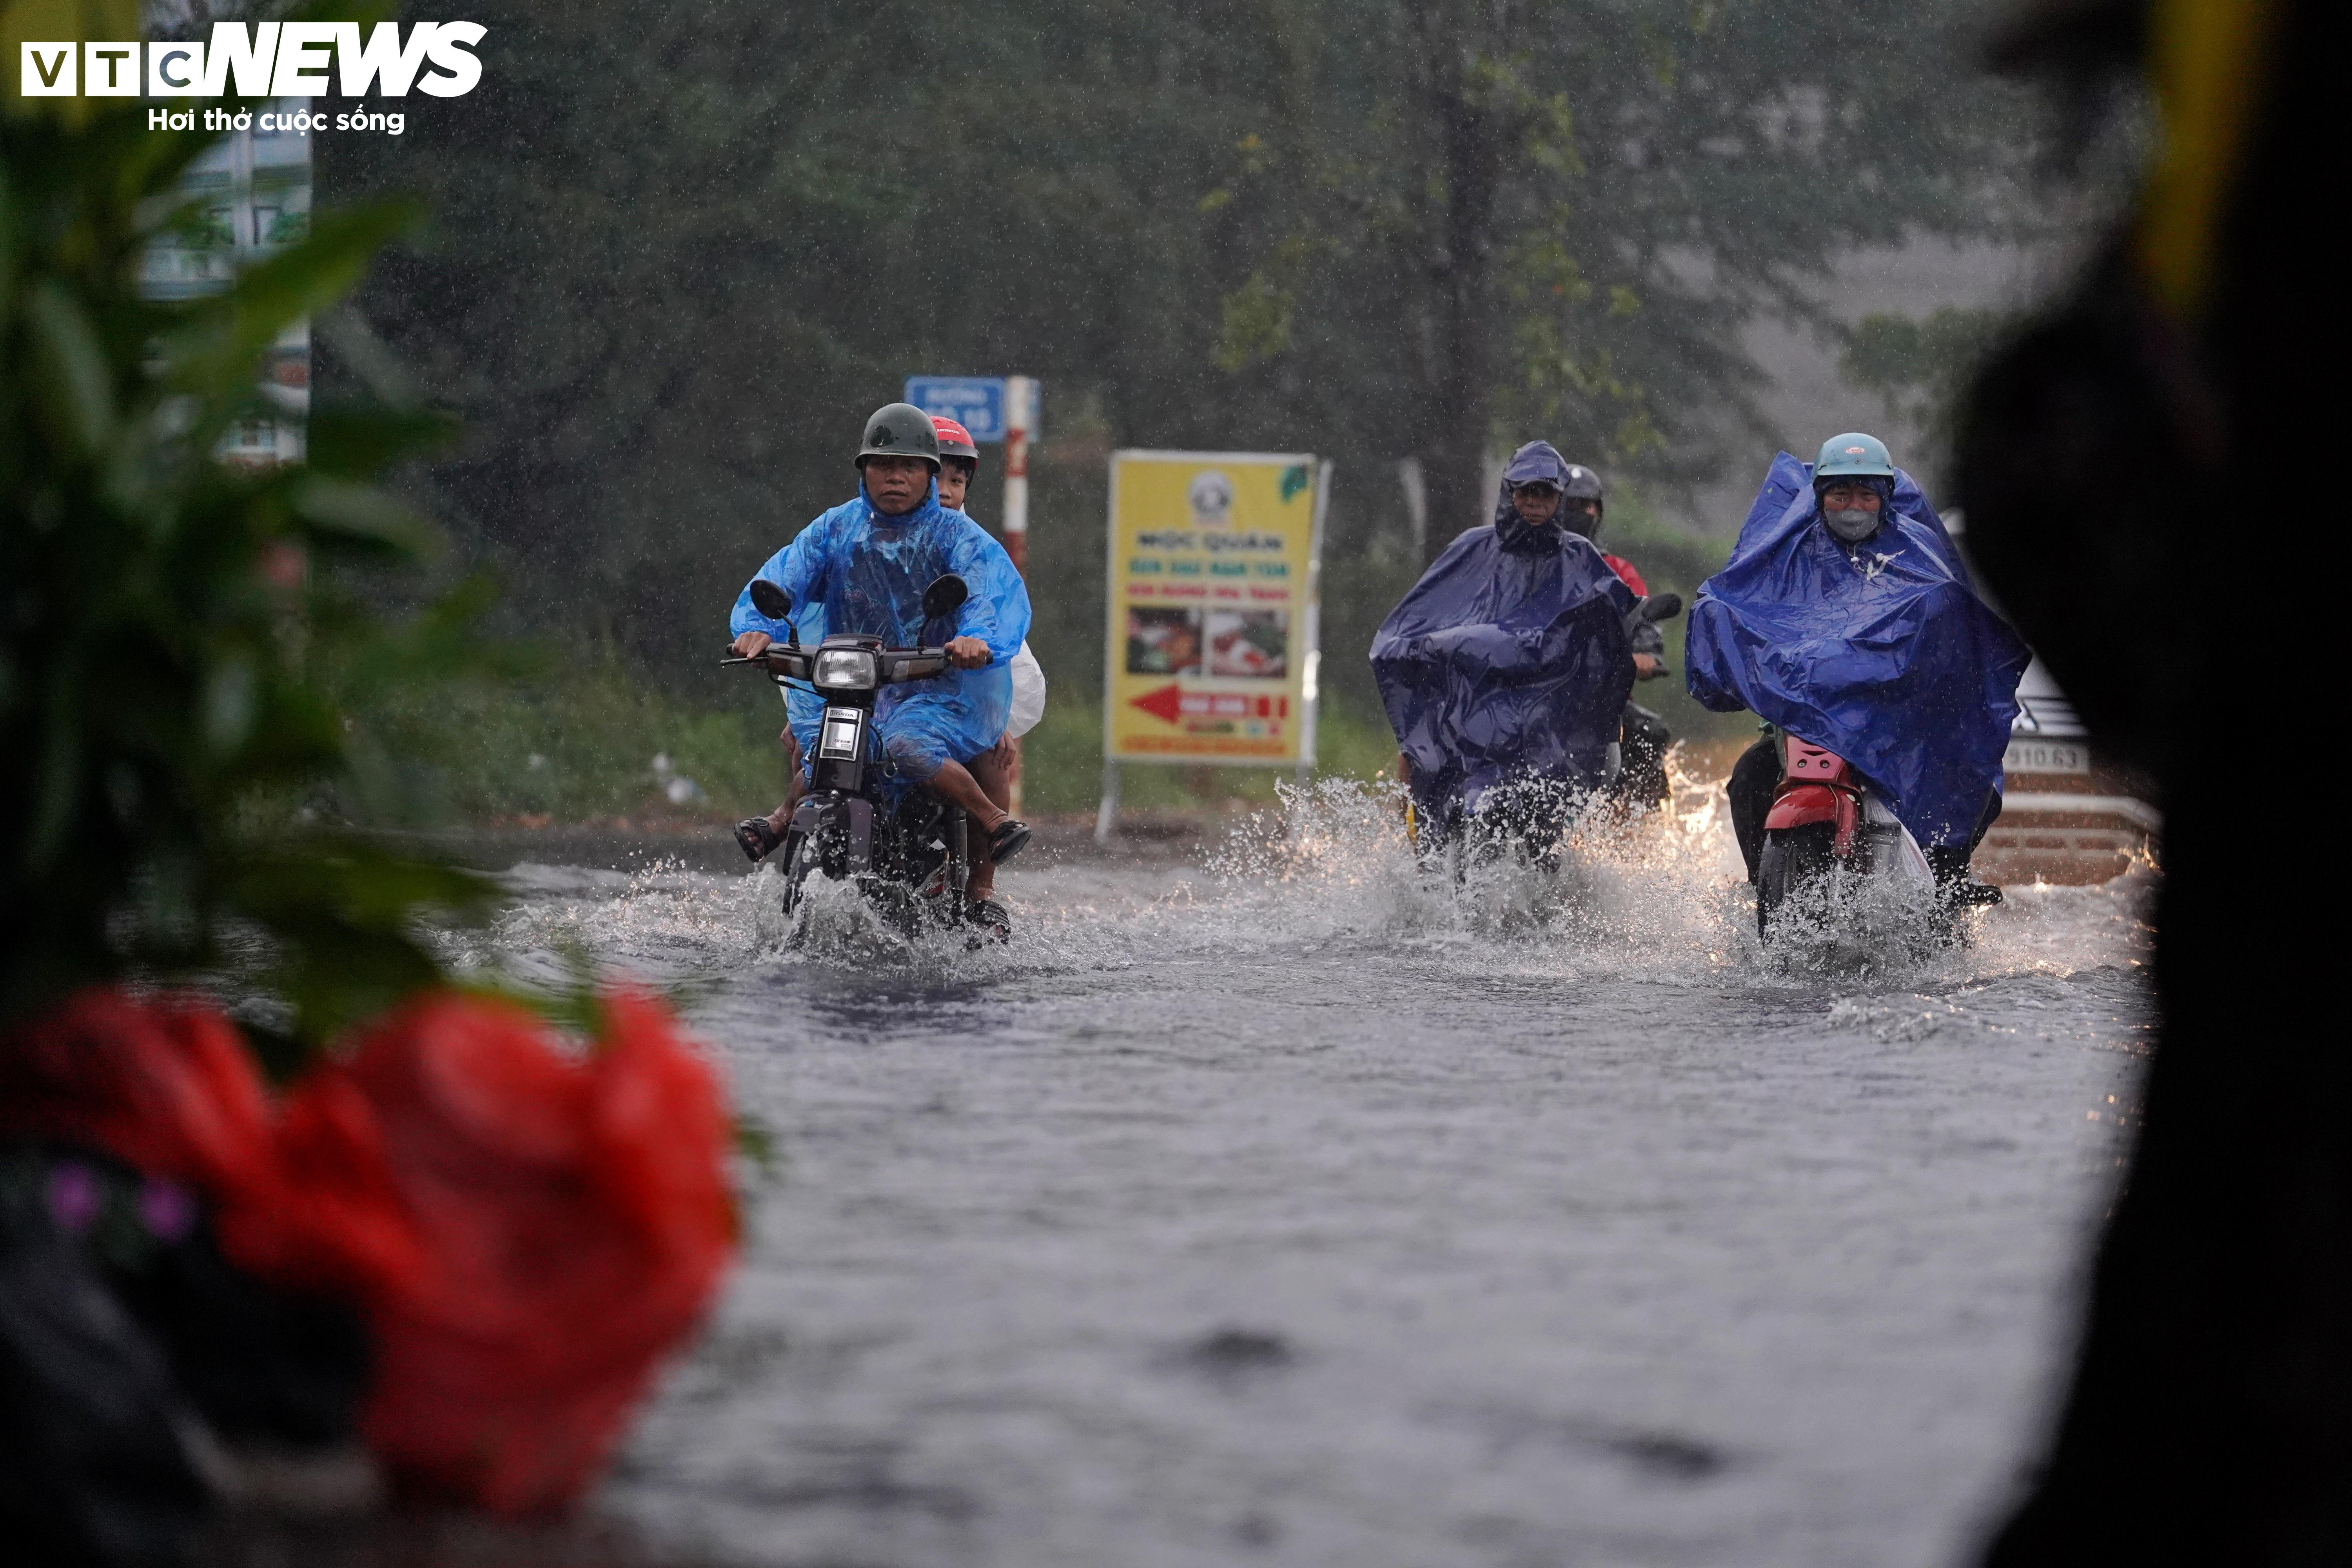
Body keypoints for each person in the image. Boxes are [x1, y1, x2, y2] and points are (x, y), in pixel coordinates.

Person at [1686, 431, 2027, 898]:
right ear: (1819, 497)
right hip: (1807, 723)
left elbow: (1954, 624)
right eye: (1840, 493)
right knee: (1749, 778)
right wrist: (1717, 617)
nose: (1853, 505)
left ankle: (1947, 881)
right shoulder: (1786, 555)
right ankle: (1757, 886)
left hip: (1898, 731)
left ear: (1885, 497)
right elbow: (1740, 599)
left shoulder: (1917, 559)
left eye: (1866, 494)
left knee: (1971, 781)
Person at [728, 403, 1033, 903]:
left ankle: (987, 849)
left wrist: (975, 639)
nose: (895, 477)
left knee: (912, 745)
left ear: (930, 475)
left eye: (908, 467)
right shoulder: (835, 528)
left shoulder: (958, 536)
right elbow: (784, 575)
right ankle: (785, 819)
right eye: (882, 465)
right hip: (852, 685)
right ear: (863, 471)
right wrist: (756, 629)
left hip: (938, 690)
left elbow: (988, 595)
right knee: (817, 742)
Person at [1371, 440, 1637, 847]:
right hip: (1474, 702)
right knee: (1417, 758)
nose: (1534, 501)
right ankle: (1415, 848)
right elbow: (1420, 617)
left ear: (1558, 497)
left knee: (1578, 791)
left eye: (1544, 492)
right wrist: (1424, 648)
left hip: (1548, 709)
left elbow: (1608, 636)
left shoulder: (1580, 557)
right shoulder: (1470, 549)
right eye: (1525, 491)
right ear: (1510, 492)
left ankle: (1570, 863)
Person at [929, 414, 1047, 921]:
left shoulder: (974, 552)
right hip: (876, 692)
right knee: (811, 741)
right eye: (934, 476)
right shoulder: (858, 538)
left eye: (956, 480)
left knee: (993, 754)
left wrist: (998, 713)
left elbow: (998, 627)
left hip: (954, 696)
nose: (945, 490)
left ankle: (981, 888)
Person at [1555, 461, 1675, 807]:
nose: (1576, 513)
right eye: (1568, 504)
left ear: (1598, 512)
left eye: (1584, 506)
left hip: (1601, 702)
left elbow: (1643, 623)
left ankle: (1636, 836)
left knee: (1647, 733)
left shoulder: (1619, 572)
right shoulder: (1531, 566)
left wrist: (1645, 656)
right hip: (1535, 697)